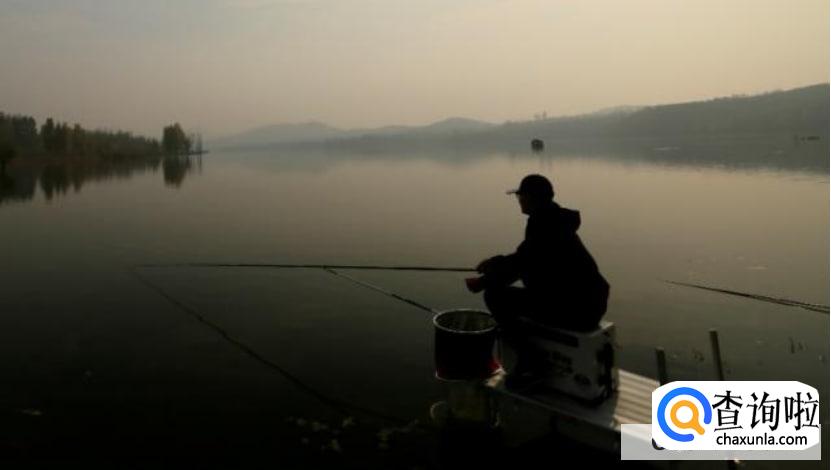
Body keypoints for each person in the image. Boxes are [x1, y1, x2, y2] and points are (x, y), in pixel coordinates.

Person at [466, 174, 610, 336]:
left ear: (531, 198)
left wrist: (483, 281)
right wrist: (492, 265)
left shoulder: (545, 225)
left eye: (520, 195)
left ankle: (527, 354)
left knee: (494, 295)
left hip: (575, 311)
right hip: (590, 306)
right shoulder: (555, 220)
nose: (518, 200)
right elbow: (526, 259)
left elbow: (522, 264)